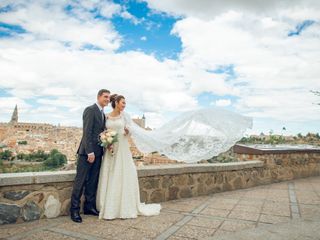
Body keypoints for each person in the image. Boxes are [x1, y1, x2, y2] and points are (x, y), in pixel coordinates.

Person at [96, 94, 161, 220]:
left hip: (123, 148)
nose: (124, 105)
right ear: (116, 102)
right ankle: (108, 205)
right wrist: (107, 142)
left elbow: (131, 130)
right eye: (123, 102)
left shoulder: (125, 116)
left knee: (124, 173)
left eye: (125, 103)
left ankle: (123, 206)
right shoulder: (106, 116)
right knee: (110, 173)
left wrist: (127, 131)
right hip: (111, 149)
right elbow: (104, 131)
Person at [70, 89, 110, 223]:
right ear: (98, 97)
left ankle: (89, 207)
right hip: (87, 153)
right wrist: (90, 152)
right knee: (80, 182)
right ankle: (74, 210)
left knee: (93, 182)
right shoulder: (90, 109)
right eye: (105, 97)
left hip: (99, 153)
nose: (107, 99)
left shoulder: (103, 114)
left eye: (109, 98)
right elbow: (86, 132)